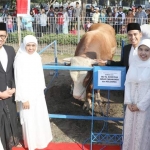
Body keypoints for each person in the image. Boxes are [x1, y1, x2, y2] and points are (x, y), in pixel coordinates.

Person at [14, 35, 52, 150]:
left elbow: (40, 76)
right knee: (29, 118)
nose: (31, 48)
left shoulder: (36, 57)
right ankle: (32, 144)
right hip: (27, 95)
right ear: (24, 45)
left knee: (39, 117)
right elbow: (18, 79)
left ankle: (40, 141)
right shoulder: (20, 58)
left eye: (33, 45)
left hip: (37, 94)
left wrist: (41, 91)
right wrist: (24, 98)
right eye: (28, 45)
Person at [122, 39, 150, 150]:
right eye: (141, 49)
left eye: (147, 50)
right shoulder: (134, 64)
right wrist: (128, 101)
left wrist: (140, 105)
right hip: (131, 104)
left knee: (141, 131)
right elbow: (127, 83)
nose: (143, 53)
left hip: (144, 106)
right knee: (129, 129)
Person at [0, 22, 21, 150]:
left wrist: (14, 87)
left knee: (11, 118)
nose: (0, 38)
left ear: (6, 36)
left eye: (3, 36)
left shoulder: (10, 50)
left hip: (10, 93)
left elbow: (14, 71)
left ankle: (11, 142)